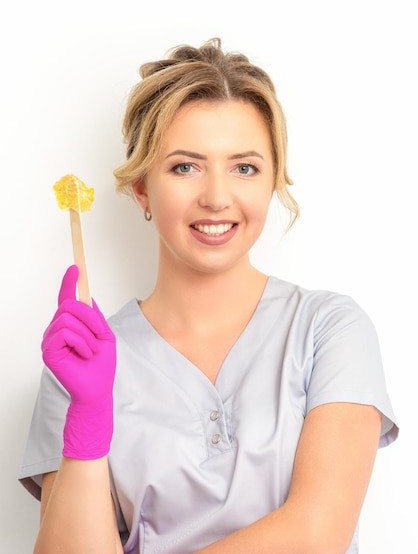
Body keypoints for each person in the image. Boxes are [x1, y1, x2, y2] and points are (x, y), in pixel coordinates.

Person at [19, 38, 398, 554]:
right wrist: (87, 415)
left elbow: (316, 534)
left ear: (271, 183)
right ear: (142, 189)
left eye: (244, 167)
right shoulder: (80, 362)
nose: (217, 197)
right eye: (185, 166)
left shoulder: (328, 329)